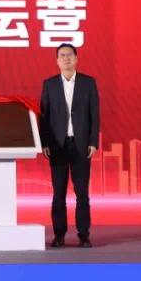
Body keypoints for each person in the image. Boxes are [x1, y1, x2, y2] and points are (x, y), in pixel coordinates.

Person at [39, 43, 99, 248]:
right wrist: (45, 142)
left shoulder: (88, 83)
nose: (66, 58)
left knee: (82, 192)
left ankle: (84, 234)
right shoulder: (49, 85)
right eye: (62, 55)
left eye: (70, 55)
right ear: (57, 61)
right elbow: (44, 117)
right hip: (58, 145)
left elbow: (95, 115)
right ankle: (59, 234)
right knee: (58, 193)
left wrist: (93, 142)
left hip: (81, 145)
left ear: (76, 58)